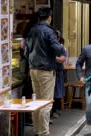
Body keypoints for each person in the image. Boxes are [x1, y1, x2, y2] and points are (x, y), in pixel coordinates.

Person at [24, 8, 65, 136]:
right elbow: (58, 49)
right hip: (46, 70)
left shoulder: (32, 30)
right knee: (46, 102)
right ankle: (44, 132)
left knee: (37, 101)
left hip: (33, 69)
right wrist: (61, 48)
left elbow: (26, 51)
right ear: (49, 17)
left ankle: (37, 129)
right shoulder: (48, 31)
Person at [51, 30, 67, 120]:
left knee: (57, 92)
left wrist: (52, 57)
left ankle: (54, 111)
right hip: (51, 71)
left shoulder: (61, 48)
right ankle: (52, 112)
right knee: (51, 93)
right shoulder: (50, 47)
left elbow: (62, 59)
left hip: (58, 71)